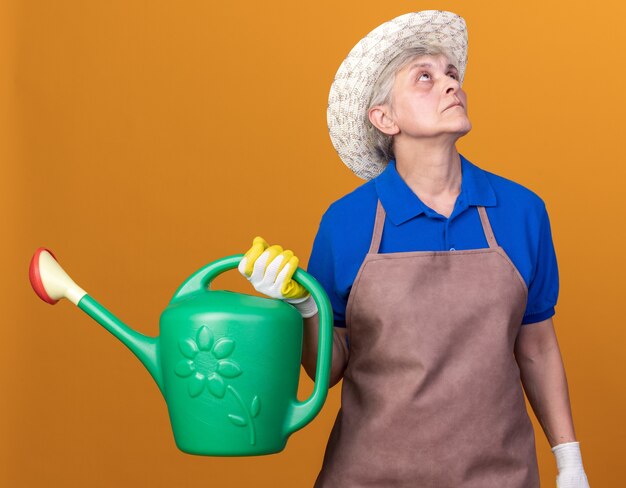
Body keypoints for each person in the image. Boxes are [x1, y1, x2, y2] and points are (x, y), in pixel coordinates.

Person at [238, 10, 590, 488]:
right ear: (385, 118)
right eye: (425, 77)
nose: (451, 85)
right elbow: (332, 365)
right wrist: (301, 304)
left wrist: (569, 461)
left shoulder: (521, 211)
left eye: (451, 75)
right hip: (369, 475)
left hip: (498, 476)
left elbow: (538, 348)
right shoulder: (347, 222)